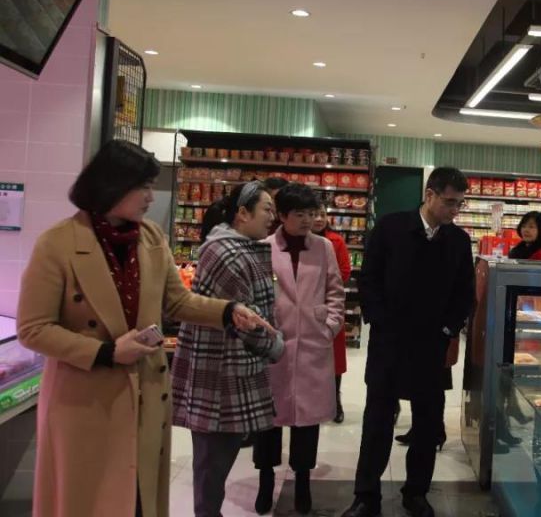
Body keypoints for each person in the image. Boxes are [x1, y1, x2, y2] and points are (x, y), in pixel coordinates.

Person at [16, 141, 269, 517]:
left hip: (146, 393)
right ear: (112, 185)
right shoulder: (58, 244)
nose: (151, 197)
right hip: (85, 401)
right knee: (89, 501)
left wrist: (229, 311)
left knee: (139, 499)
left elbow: (177, 302)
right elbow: (33, 328)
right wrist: (106, 352)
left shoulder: (150, 238)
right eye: (144, 187)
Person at [341, 167, 475, 517]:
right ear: (429, 194)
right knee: (378, 422)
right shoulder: (391, 228)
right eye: (450, 202)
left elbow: (464, 293)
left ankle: (416, 492)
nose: (454, 210)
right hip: (389, 343)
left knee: (427, 425)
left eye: (459, 204)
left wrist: (447, 330)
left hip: (431, 347)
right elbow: (369, 280)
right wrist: (380, 321)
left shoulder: (458, 241)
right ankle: (366, 495)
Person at [171, 181, 285, 517]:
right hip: (219, 375)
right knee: (212, 465)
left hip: (227, 370)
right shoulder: (227, 254)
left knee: (215, 464)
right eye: (267, 210)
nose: (273, 218)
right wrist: (276, 346)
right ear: (242, 213)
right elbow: (246, 320)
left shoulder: (237, 247)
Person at [254, 184, 345, 515]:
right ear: (282, 216)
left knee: (306, 421)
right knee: (268, 419)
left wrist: (329, 325)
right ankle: (266, 479)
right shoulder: (263, 248)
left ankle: (303, 481)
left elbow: (335, 290)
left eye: (312, 213)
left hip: (312, 342)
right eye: (300, 214)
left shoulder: (323, 247)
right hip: (274, 343)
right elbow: (254, 293)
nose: (309, 220)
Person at [313, 202, 352, 424]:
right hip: (305, 306)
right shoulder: (300, 241)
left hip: (330, 304)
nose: (319, 219)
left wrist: (321, 285)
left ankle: (335, 400)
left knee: (335, 357)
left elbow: (345, 271)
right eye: (314, 214)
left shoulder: (336, 241)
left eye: (322, 214)